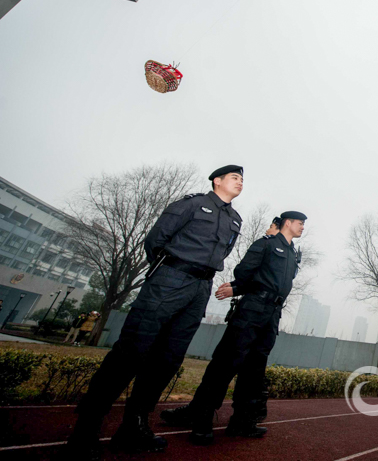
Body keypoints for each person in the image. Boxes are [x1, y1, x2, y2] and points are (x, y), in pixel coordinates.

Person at [66, 165, 244, 459]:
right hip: (170, 280)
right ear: (217, 181)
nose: (240, 182)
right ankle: (86, 429)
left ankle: (133, 427)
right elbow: (156, 240)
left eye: (242, 179)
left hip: (200, 289)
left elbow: (221, 253)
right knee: (131, 352)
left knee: (168, 359)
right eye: (234, 178)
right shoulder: (190, 204)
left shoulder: (234, 219)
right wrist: (171, 271)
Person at [162, 211, 306, 445]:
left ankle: (242, 422)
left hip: (272, 314)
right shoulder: (266, 244)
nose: (303, 227)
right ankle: (201, 420)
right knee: (226, 363)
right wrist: (244, 289)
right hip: (253, 309)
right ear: (287, 223)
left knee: (254, 370)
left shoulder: (292, 253)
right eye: (300, 223)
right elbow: (243, 272)